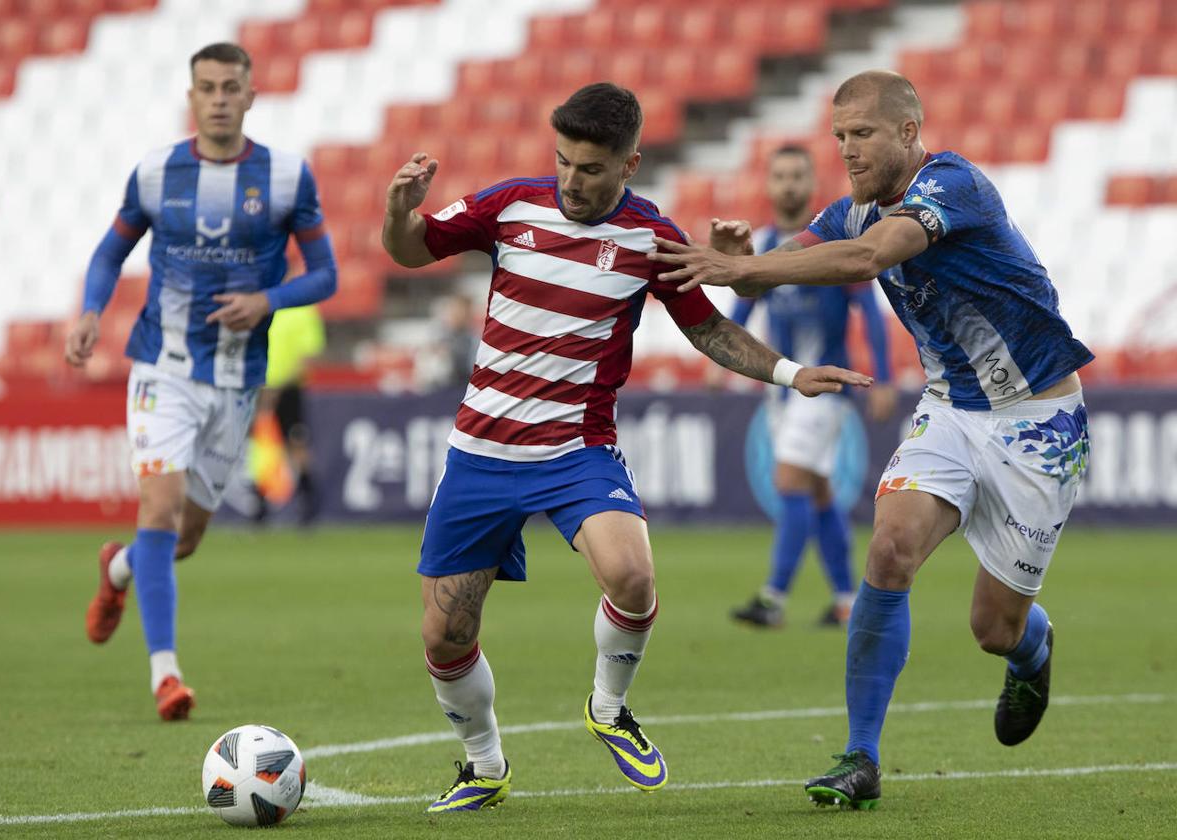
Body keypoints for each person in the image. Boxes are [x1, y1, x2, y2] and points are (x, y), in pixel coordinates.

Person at [382, 82, 873, 812]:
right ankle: (484, 764)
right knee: (446, 633)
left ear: (629, 164)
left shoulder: (650, 239)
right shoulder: (511, 204)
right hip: (480, 451)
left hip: (576, 449)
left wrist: (789, 372)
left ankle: (608, 708)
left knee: (633, 577)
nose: (572, 182)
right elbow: (410, 250)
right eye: (564, 163)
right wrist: (399, 209)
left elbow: (709, 329)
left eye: (590, 168)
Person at [649, 70, 1092, 809]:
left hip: (1039, 423)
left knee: (992, 626)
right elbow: (775, 270)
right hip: (952, 409)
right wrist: (742, 260)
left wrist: (749, 267)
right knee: (888, 550)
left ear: (909, 134)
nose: (848, 151)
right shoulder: (852, 208)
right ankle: (861, 757)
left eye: (863, 134)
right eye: (840, 137)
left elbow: (868, 259)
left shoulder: (953, 185)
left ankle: (1032, 648)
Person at [65, 42, 337, 720]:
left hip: (237, 381)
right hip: (164, 367)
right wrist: (91, 313)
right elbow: (109, 252)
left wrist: (267, 301)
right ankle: (166, 676)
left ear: (250, 95)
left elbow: (325, 274)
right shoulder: (157, 173)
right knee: (156, 511)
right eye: (206, 87)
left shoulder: (285, 178)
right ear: (192, 96)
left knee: (181, 539)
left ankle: (117, 569)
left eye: (229, 87)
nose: (218, 98)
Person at [713, 145, 896, 629]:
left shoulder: (832, 245)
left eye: (798, 175)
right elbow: (745, 303)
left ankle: (773, 599)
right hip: (783, 390)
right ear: (769, 185)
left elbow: (871, 311)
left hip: (827, 386)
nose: (789, 184)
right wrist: (720, 360)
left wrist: (885, 376)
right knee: (816, 492)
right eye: (780, 176)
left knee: (789, 480)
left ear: (811, 182)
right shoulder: (770, 247)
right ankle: (846, 599)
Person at [251, 303, 326, 526]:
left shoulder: (301, 309)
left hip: (288, 389)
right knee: (262, 443)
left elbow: (309, 355)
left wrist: (279, 387)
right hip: (261, 388)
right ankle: (260, 502)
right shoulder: (263, 304)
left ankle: (307, 500)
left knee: (295, 443)